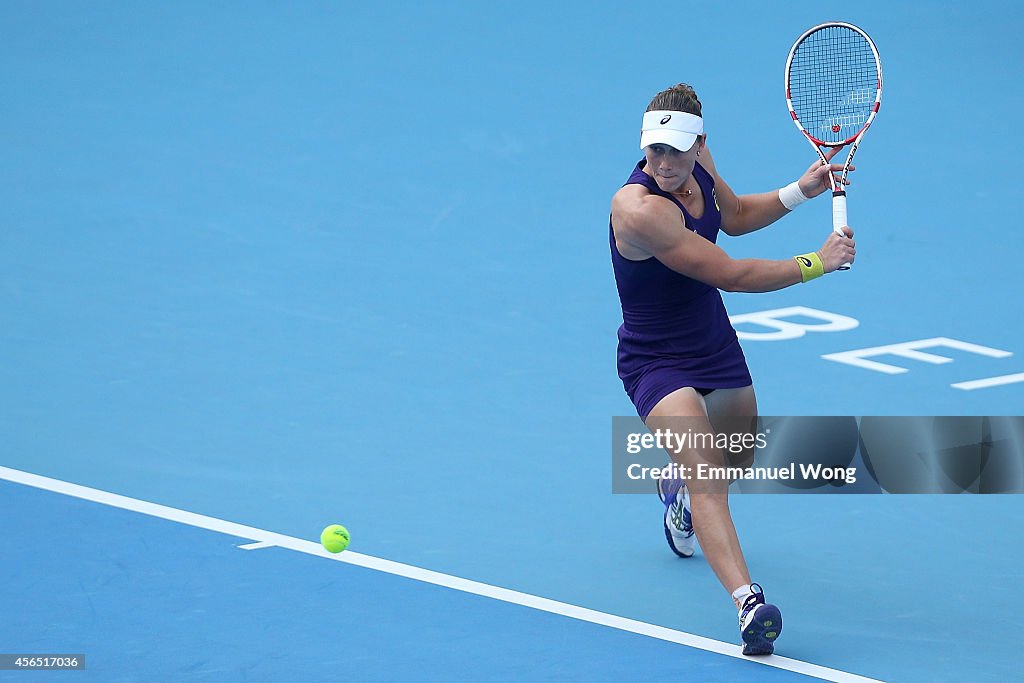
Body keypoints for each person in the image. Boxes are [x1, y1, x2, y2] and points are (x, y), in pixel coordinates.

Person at [609, 83, 855, 656]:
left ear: (699, 144)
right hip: (655, 359)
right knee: (710, 476)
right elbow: (732, 274)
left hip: (712, 344)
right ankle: (750, 605)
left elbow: (737, 214)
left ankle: (678, 492)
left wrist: (803, 189)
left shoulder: (698, 169)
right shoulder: (638, 207)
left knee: (736, 455)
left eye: (676, 149)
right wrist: (818, 263)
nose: (664, 163)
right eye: (654, 151)